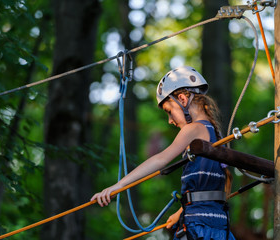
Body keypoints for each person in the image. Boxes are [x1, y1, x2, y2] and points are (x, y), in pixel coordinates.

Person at [91, 66, 235, 240]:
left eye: (169, 111)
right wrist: (182, 211)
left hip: (197, 227)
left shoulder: (193, 129)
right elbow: (207, 190)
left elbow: (160, 159)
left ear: (182, 99)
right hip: (220, 228)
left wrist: (118, 186)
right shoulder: (215, 133)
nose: (170, 120)